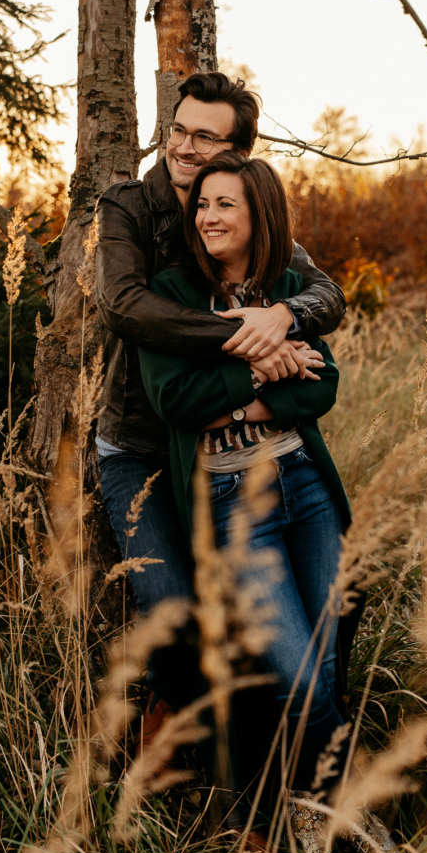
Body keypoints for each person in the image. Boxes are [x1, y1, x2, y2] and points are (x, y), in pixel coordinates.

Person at [137, 153, 396, 853]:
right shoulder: (170, 293)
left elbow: (321, 384)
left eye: (225, 204)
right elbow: (175, 401)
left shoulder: (286, 290)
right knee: (298, 674)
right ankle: (350, 819)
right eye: (202, 205)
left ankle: (299, 812)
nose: (209, 216)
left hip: (305, 485)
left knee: (327, 657)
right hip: (229, 501)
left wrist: (247, 397)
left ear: (259, 214)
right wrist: (260, 363)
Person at [95, 72, 346, 718]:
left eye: (204, 138)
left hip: (220, 452)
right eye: (178, 129)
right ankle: (170, 732)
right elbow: (124, 304)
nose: (182, 147)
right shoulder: (130, 206)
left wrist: (285, 318)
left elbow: (324, 294)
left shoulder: (237, 206)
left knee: (310, 612)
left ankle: (300, 748)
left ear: (235, 152)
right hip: (142, 443)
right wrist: (251, 336)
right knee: (175, 607)